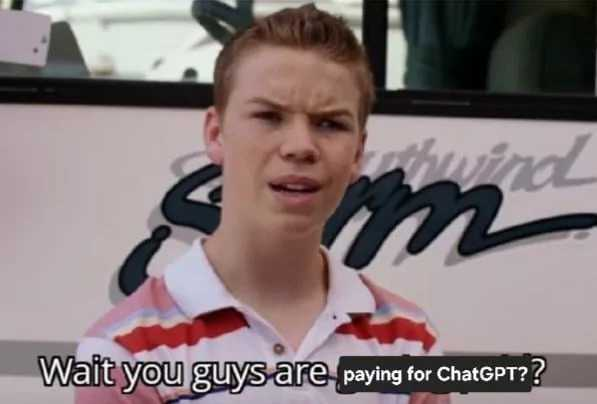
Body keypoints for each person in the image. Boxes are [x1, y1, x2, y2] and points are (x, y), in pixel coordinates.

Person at [75, 4, 450, 403]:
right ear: (216, 134)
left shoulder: (411, 343)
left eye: (329, 124)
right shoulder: (122, 353)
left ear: (357, 151)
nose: (300, 146)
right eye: (269, 116)